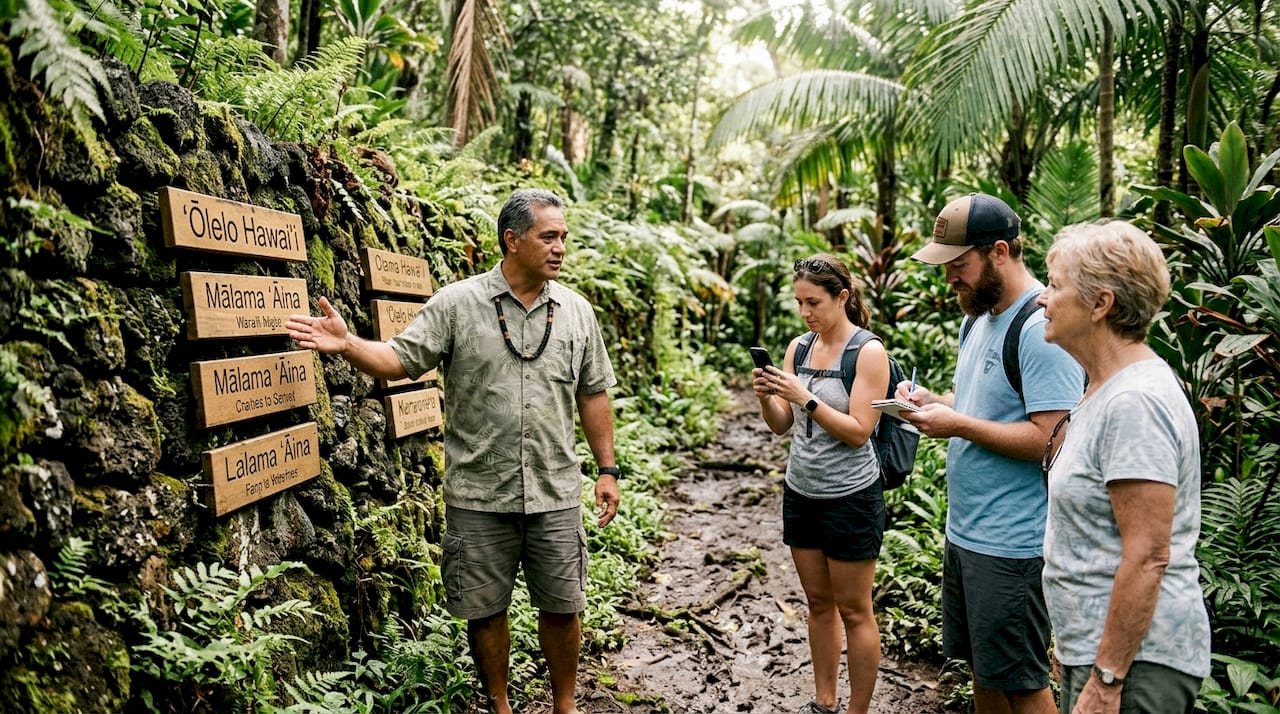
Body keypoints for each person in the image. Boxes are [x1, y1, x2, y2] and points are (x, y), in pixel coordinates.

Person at [286, 188, 620, 714]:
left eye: (563, 237)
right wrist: (348, 344)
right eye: (548, 236)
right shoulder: (458, 304)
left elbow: (593, 393)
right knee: (484, 609)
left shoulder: (576, 312)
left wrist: (607, 469)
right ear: (512, 240)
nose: (560, 247)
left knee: (563, 604)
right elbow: (399, 359)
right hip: (479, 492)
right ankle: (500, 706)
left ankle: (565, 706)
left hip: (556, 488)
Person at [896, 193, 1084, 714]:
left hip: (1013, 544)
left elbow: (1053, 439)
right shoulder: (977, 319)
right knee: (984, 669)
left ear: (999, 252)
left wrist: (957, 425)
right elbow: (982, 405)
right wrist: (933, 404)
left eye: (959, 265)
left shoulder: (1041, 330)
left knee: (1023, 683)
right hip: (967, 533)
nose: (949, 278)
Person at [1037, 221, 1210, 714]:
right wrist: (1074, 649)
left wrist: (1108, 674)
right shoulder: (1103, 388)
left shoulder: (1135, 401)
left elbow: (1148, 553)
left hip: (1138, 665)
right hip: (1098, 652)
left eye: (1054, 286)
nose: (1043, 299)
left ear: (1100, 304)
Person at [754, 254, 889, 714]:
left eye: (814, 302)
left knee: (855, 609)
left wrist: (806, 397)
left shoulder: (867, 352)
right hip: (802, 491)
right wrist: (769, 398)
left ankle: (858, 709)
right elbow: (781, 425)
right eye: (799, 303)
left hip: (851, 496)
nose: (806, 312)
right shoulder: (799, 348)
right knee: (817, 603)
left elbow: (858, 431)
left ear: (843, 297)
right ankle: (824, 702)